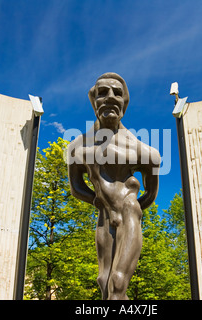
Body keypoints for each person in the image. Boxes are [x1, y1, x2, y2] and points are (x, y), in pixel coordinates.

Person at [67, 72, 160, 300]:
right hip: (105, 219)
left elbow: (150, 193)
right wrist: (98, 201)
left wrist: (133, 208)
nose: (110, 97)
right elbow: (76, 187)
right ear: (94, 101)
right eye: (103, 93)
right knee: (105, 282)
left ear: (124, 102)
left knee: (117, 283)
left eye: (117, 93)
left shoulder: (141, 150)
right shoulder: (78, 147)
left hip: (129, 216)